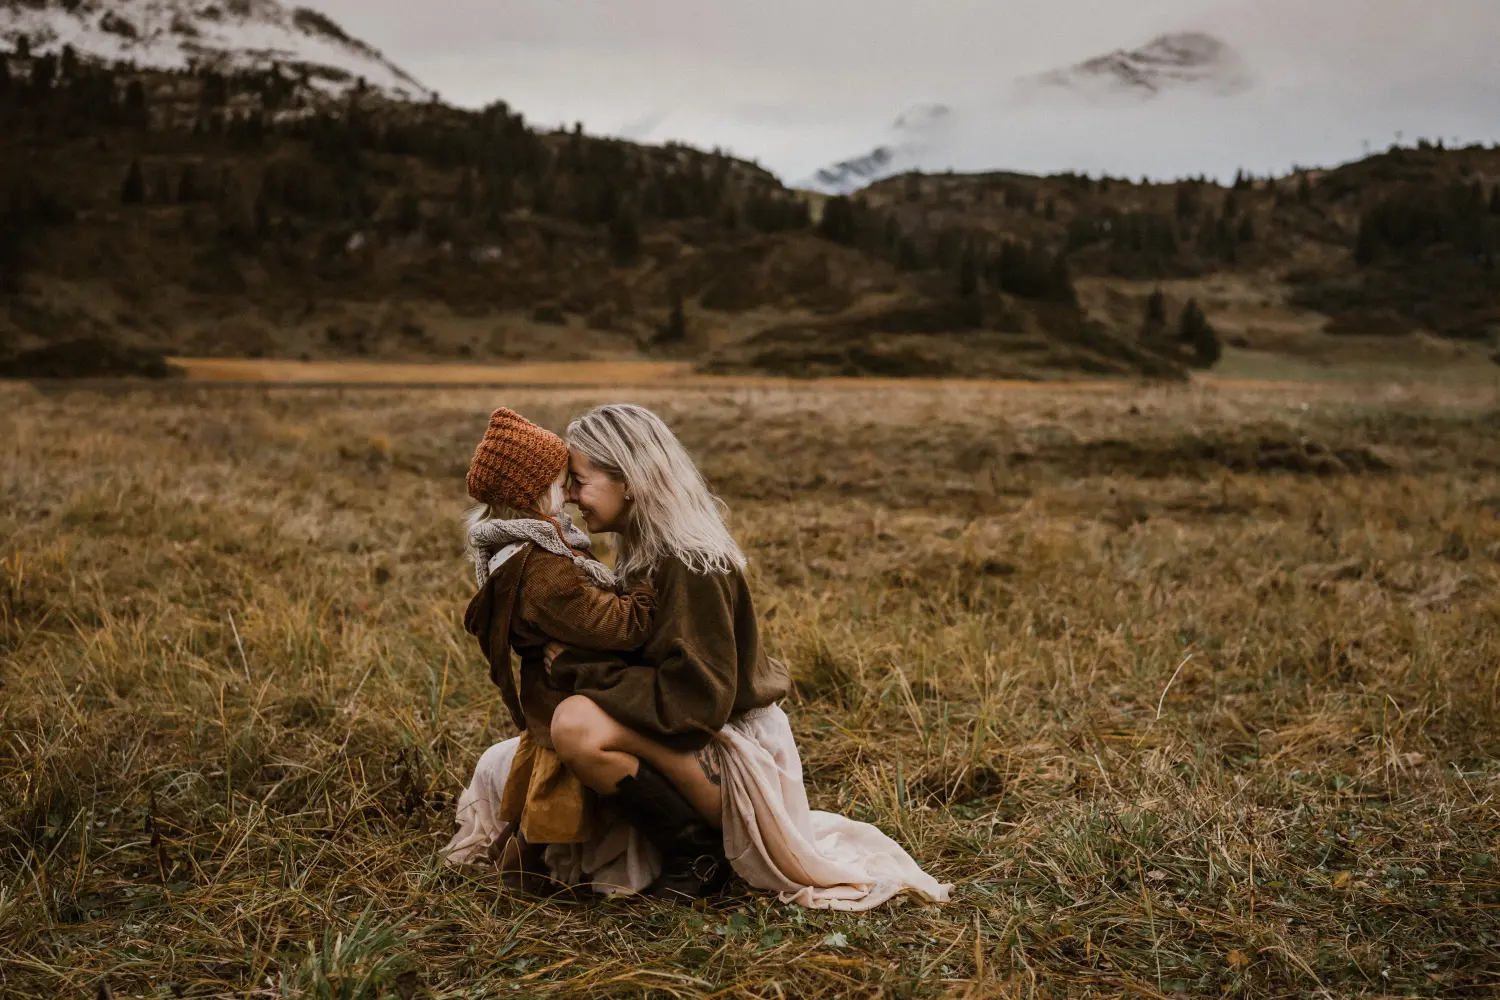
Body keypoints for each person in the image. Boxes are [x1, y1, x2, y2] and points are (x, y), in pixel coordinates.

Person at [448, 404, 951, 911]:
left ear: (631, 480)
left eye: (578, 481)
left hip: (725, 740)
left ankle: (698, 853)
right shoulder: (638, 547)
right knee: (505, 761)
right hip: (677, 730)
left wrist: (579, 672)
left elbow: (696, 700)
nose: (572, 498)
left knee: (576, 725)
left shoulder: (692, 563)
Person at [446, 407, 656, 890]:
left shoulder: (528, 552)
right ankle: (524, 878)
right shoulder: (541, 569)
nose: (571, 495)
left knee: (538, 792)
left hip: (551, 696)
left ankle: (518, 859)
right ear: (533, 493)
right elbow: (616, 627)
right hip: (561, 700)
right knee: (551, 799)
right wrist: (644, 585)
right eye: (563, 484)